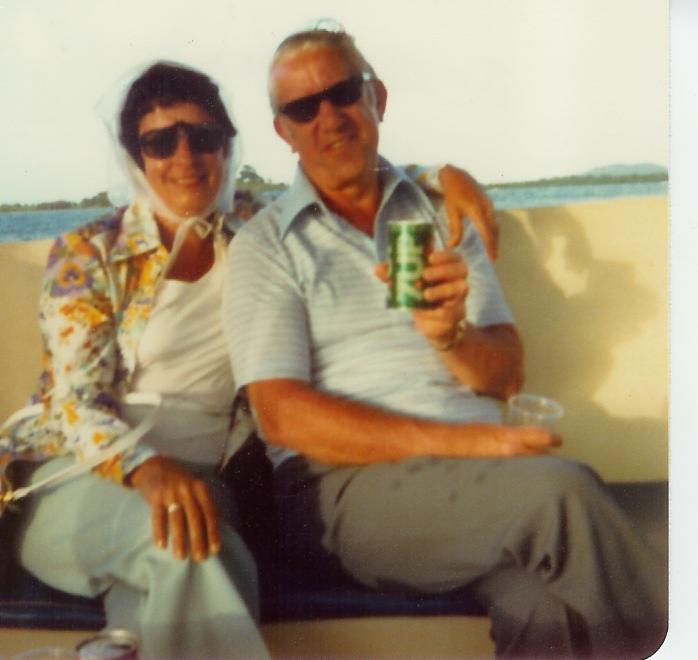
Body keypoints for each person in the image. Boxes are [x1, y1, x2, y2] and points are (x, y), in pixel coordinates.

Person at [0, 60, 496, 657]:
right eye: (160, 142)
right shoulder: (90, 251)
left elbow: (339, 181)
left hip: (207, 483)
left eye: (202, 136)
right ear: (136, 157)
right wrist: (147, 469)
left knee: (196, 562)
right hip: (78, 477)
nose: (185, 156)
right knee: (187, 549)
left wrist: (436, 176)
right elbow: (72, 402)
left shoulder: (254, 229)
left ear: (227, 145)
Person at [223, 26, 667, 658]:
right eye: (303, 107)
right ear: (283, 131)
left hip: (472, 485)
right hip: (343, 493)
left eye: (343, 92)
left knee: (541, 603)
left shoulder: (439, 213)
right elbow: (281, 416)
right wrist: (472, 443)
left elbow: (504, 376)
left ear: (376, 96)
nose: (330, 117)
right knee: (562, 493)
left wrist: (451, 337)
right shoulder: (267, 245)